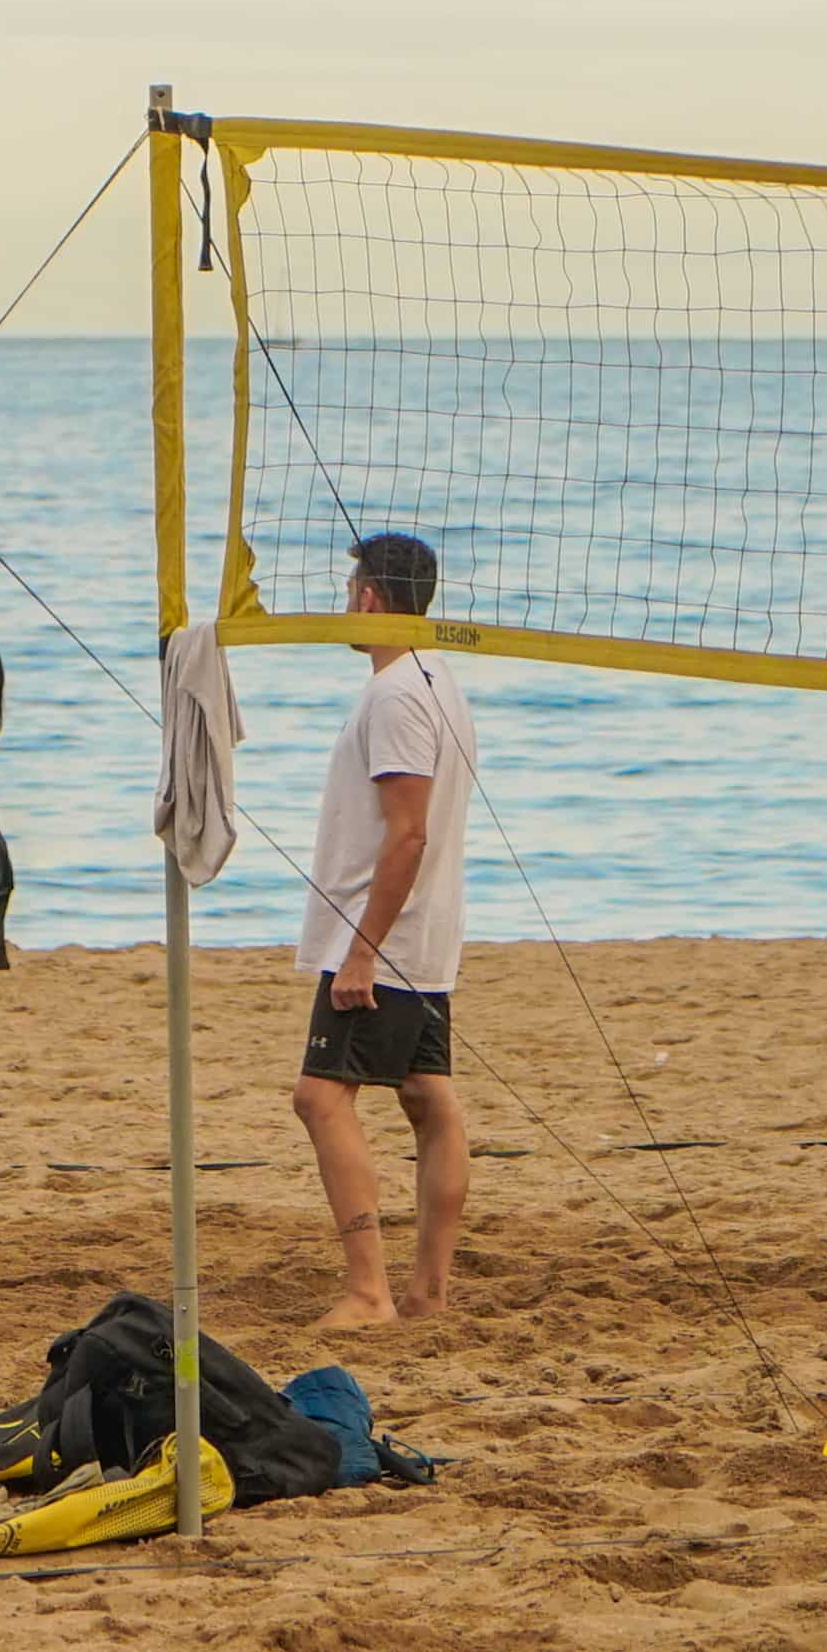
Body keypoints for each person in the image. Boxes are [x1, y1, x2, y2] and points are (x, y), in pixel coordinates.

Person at [290, 534, 475, 1332]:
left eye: (348, 591)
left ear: (368, 597)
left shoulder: (398, 693)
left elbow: (408, 835)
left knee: (320, 1098)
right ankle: (428, 1294)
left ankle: (370, 1293)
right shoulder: (439, 681)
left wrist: (360, 950)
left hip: (386, 938)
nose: (344, 605)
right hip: (424, 934)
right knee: (427, 1095)